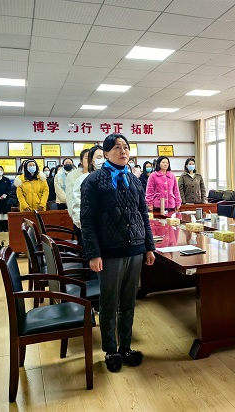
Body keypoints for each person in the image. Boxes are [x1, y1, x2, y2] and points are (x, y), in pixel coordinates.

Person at [80, 133, 155, 373]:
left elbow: (143, 214)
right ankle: (111, 350)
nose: (123, 151)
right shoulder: (93, 181)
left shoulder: (133, 179)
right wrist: (93, 254)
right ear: (106, 152)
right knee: (109, 304)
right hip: (109, 253)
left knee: (129, 303)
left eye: (126, 147)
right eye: (117, 147)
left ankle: (126, 347)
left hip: (135, 249)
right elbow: (87, 221)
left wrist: (149, 246)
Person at [70, 146, 104, 244]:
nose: (102, 160)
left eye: (104, 157)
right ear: (91, 161)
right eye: (99, 157)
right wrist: (85, 229)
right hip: (89, 231)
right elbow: (77, 206)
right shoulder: (83, 179)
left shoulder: (111, 178)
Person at [66, 149, 89, 222]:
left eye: (91, 157)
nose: (89, 160)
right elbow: (71, 199)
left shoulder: (99, 175)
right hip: (80, 218)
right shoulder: (73, 176)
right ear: (81, 161)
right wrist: (77, 219)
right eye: (86, 158)